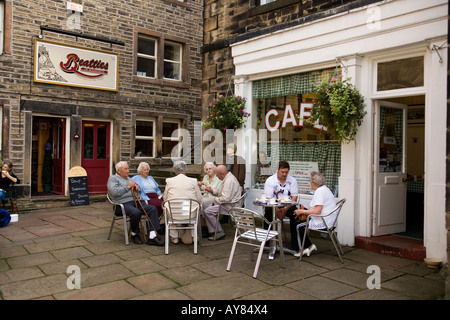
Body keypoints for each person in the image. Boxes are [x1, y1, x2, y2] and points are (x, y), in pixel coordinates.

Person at [107, 161, 163, 246]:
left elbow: (138, 193)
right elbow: (115, 192)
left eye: (128, 168)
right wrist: (128, 187)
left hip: (135, 202)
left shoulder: (129, 179)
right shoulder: (113, 179)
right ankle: (134, 234)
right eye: (125, 169)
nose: (128, 171)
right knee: (136, 212)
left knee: (152, 209)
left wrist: (138, 188)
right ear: (118, 170)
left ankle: (152, 236)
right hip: (121, 204)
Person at [293, 171, 336, 257]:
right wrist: (304, 210)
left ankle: (304, 248)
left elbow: (317, 211)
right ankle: (308, 246)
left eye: (310, 181)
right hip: (330, 221)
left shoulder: (319, 192)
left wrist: (302, 211)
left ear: (314, 182)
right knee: (298, 218)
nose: (310, 183)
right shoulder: (325, 189)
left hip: (323, 222)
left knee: (297, 225)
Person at [263, 161, 300, 252]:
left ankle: (295, 245)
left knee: (295, 215)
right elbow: (268, 197)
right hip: (273, 204)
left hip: (288, 204)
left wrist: (286, 208)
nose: (284, 174)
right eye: (282, 172)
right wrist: (278, 209)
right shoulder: (270, 180)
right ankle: (266, 243)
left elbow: (294, 196)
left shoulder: (292, 180)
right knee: (267, 213)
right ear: (277, 170)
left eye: (286, 172)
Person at [163, 161, 202, 244]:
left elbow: (165, 199)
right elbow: (199, 198)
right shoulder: (193, 181)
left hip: (174, 213)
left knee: (169, 211)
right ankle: (193, 236)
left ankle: (174, 237)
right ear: (185, 170)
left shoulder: (169, 181)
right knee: (194, 209)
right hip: (189, 213)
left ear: (175, 171)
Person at [203, 164, 242, 241]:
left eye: (217, 174)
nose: (217, 176)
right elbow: (222, 193)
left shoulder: (229, 181)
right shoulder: (228, 178)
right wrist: (212, 191)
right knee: (206, 206)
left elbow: (226, 199)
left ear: (222, 174)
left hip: (230, 206)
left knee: (207, 211)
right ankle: (212, 231)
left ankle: (219, 232)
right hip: (229, 203)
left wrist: (215, 199)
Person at [221, 143, 246, 224]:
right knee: (225, 197)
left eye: (230, 148)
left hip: (237, 184)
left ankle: (239, 219)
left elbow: (242, 174)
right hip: (226, 182)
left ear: (234, 150)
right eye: (227, 148)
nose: (228, 150)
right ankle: (225, 216)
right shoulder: (224, 159)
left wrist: (239, 185)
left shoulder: (240, 159)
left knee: (236, 200)